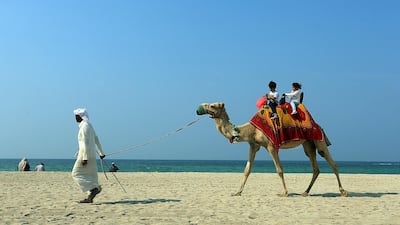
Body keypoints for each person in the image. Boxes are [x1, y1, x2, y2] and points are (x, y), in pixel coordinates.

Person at [72, 108, 106, 203]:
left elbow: (86, 143)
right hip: (90, 155)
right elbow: (96, 139)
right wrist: (101, 153)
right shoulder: (88, 125)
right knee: (89, 175)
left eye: (76, 116)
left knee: (76, 174)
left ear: (80, 116)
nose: (75, 118)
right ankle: (90, 197)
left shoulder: (85, 126)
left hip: (85, 156)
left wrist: (85, 158)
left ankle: (94, 188)